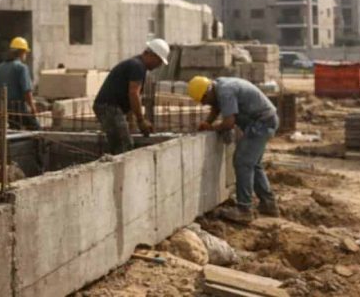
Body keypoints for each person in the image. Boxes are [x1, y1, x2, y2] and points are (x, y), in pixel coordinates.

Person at [188, 75, 280, 223]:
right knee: (253, 164)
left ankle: (244, 209)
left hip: (261, 123)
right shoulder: (218, 86)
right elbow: (216, 107)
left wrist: (213, 128)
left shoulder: (225, 91)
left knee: (242, 162)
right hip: (265, 120)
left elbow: (229, 122)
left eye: (204, 100)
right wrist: (207, 122)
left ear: (207, 92)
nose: (205, 104)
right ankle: (268, 204)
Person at [92, 38, 170, 154]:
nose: (158, 66)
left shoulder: (136, 64)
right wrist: (141, 120)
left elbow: (126, 97)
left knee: (120, 144)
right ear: (151, 55)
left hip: (109, 107)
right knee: (124, 146)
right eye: (159, 61)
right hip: (108, 107)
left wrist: (132, 122)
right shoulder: (137, 66)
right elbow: (133, 94)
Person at [0, 36, 40, 130]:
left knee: (14, 131)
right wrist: (33, 108)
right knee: (36, 129)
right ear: (22, 52)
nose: (25, 55)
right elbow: (27, 91)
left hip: (5, 110)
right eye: (25, 52)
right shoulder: (21, 68)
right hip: (19, 109)